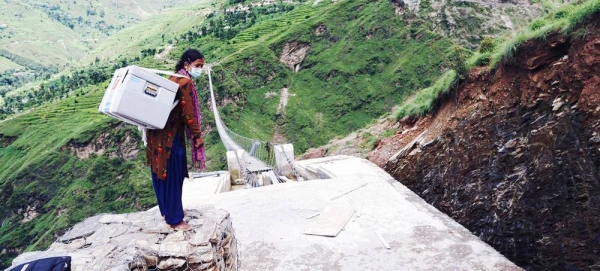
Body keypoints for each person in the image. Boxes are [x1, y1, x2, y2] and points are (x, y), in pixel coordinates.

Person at [145, 49, 206, 231]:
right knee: (173, 174)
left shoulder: (173, 78)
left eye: (202, 66)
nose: (200, 69)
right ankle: (175, 219)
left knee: (160, 173)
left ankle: (168, 210)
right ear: (187, 65)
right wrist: (197, 135)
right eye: (197, 66)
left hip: (155, 135)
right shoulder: (184, 81)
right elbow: (188, 114)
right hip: (169, 137)